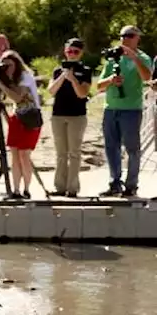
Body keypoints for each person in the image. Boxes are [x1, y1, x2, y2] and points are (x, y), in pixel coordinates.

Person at [97, 25, 153, 196]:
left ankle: (131, 185)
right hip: (111, 109)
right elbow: (99, 86)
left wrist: (134, 58)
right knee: (111, 147)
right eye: (122, 36)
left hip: (131, 110)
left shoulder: (143, 57)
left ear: (137, 38)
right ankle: (114, 182)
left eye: (129, 35)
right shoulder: (114, 57)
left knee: (132, 148)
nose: (125, 39)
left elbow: (147, 78)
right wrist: (111, 80)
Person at [0, 50, 41, 199]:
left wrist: (0, 84)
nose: (7, 68)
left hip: (30, 117)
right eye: (4, 66)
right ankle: (16, 190)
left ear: (17, 64)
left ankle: (26, 189)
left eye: (10, 65)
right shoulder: (6, 78)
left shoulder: (25, 77)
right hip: (16, 117)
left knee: (24, 155)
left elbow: (18, 98)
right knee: (14, 154)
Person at [46, 38, 93, 197]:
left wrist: (73, 79)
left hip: (77, 116)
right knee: (61, 153)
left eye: (75, 52)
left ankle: (72, 188)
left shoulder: (85, 70)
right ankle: (60, 186)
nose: (72, 54)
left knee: (74, 152)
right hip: (58, 115)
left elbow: (82, 93)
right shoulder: (58, 71)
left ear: (81, 53)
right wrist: (63, 76)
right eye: (69, 51)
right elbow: (51, 91)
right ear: (65, 52)